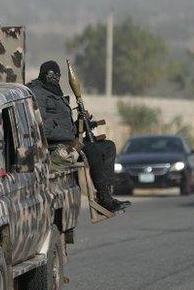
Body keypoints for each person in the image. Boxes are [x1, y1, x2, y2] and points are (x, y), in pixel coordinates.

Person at [28, 61, 130, 212]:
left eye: (57, 75)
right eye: (50, 75)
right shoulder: (38, 94)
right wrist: (73, 137)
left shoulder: (55, 92)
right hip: (54, 149)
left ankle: (106, 193)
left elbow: (65, 126)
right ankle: (104, 198)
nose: (54, 78)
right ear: (43, 74)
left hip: (68, 142)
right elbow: (44, 130)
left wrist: (81, 122)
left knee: (108, 147)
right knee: (92, 150)